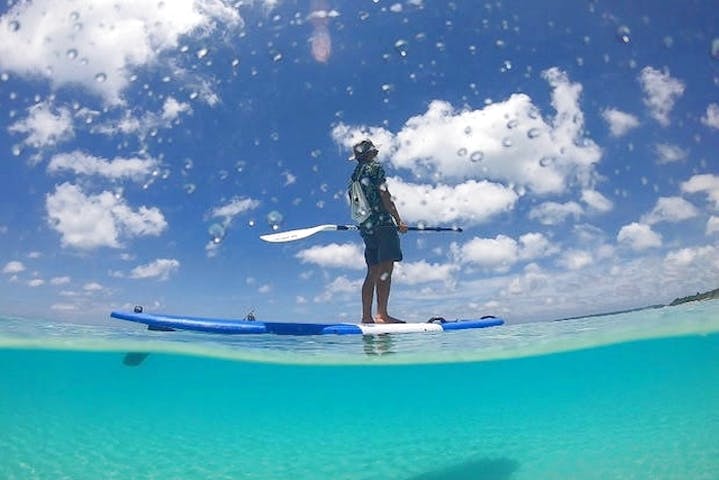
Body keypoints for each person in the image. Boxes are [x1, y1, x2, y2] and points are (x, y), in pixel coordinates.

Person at [348, 139, 408, 324]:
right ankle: (382, 314)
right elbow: (384, 194)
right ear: (371, 154)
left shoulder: (353, 177)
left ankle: (366, 316)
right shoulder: (375, 168)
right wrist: (398, 220)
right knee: (386, 268)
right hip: (382, 223)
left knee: (372, 271)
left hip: (366, 227)